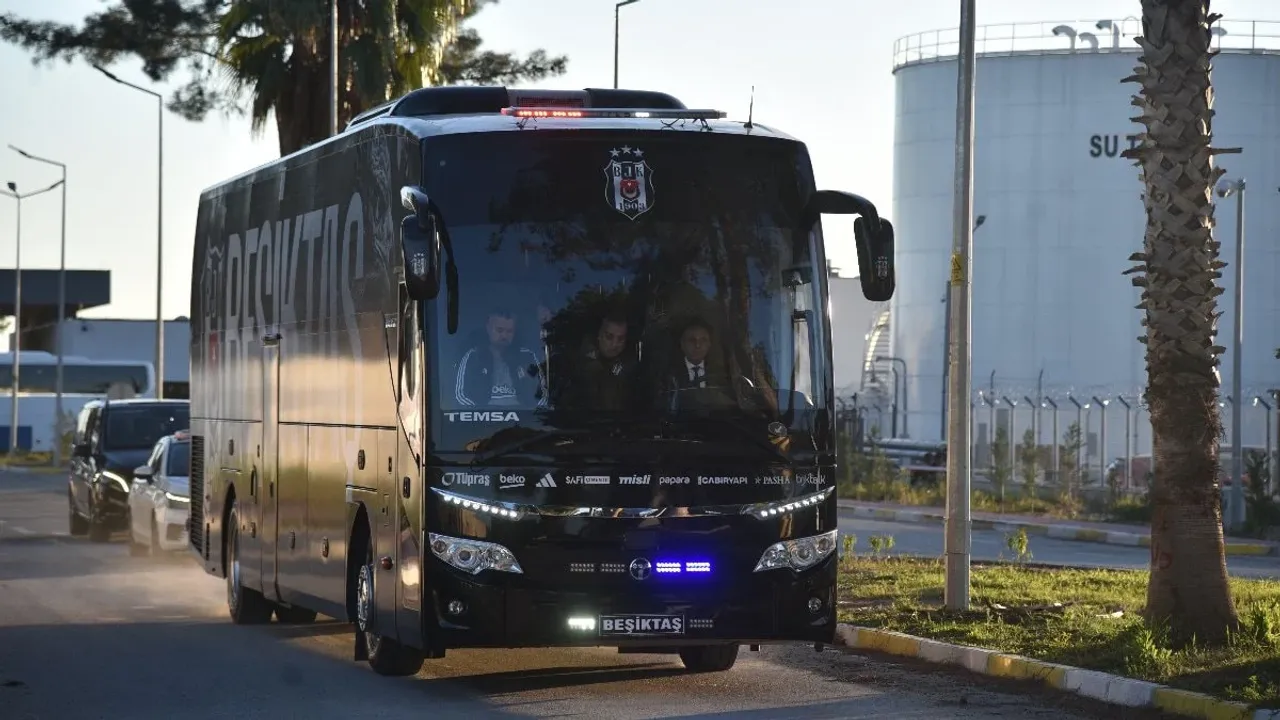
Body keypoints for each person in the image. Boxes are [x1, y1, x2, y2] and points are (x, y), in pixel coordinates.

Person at [453, 309, 546, 407]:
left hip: (523, 420)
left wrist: (532, 415)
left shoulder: (527, 356)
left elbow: (542, 395)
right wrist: (479, 414)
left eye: (509, 331)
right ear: (488, 328)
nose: (504, 335)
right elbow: (461, 396)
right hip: (483, 419)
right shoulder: (474, 357)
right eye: (499, 330)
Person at [574, 313, 637, 411]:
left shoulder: (633, 370)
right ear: (599, 336)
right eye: (609, 337)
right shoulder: (577, 367)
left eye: (621, 339)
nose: (615, 344)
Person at [665, 318, 726, 391]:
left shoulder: (720, 373)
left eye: (703, 340)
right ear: (682, 344)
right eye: (691, 340)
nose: (697, 345)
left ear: (709, 344)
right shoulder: (669, 374)